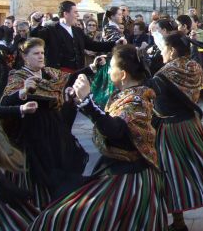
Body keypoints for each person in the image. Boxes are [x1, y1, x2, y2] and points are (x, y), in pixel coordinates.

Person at [29, 45, 167, 230]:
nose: (109, 71)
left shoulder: (136, 99)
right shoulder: (130, 95)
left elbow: (116, 129)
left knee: (58, 219)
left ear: (123, 74)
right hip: (120, 171)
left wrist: (87, 102)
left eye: (111, 67)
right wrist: (80, 100)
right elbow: (108, 118)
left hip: (129, 179)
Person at [0, 38, 99, 208]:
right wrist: (22, 92)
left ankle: (64, 203)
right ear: (25, 57)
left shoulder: (51, 73)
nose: (41, 57)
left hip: (55, 126)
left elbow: (70, 77)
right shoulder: (18, 76)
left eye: (42, 53)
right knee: (43, 169)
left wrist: (92, 67)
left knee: (63, 162)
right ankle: (40, 205)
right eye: (36, 54)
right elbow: (5, 102)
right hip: (33, 130)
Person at [148, 32, 203, 230]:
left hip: (172, 128)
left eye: (163, 49)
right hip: (191, 124)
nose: (161, 52)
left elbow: (157, 103)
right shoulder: (195, 66)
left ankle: (178, 221)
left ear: (172, 50)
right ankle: (179, 219)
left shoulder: (164, 74)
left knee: (172, 174)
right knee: (190, 168)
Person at [30, 1, 122, 72]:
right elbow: (35, 38)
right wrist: (35, 23)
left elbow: (93, 45)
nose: (77, 15)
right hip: (57, 74)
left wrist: (115, 43)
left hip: (77, 72)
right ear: (66, 14)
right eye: (75, 12)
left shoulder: (77, 31)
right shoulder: (50, 29)